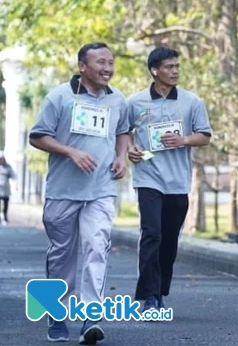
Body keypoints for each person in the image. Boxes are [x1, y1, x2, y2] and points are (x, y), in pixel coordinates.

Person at [29, 42, 130, 344]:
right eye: (100, 62)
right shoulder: (59, 97)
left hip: (101, 189)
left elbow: (124, 131)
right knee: (61, 255)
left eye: (110, 62)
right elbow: (37, 136)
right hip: (63, 190)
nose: (108, 68)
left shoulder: (118, 100)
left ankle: (90, 317)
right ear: (82, 67)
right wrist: (70, 151)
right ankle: (56, 315)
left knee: (97, 246)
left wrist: (122, 156)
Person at [127, 46, 212, 314]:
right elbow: (123, 132)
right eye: (169, 67)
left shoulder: (191, 102)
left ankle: (160, 287)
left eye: (177, 66)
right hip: (148, 177)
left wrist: (184, 139)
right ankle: (151, 296)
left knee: (169, 239)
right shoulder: (135, 102)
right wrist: (130, 148)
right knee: (151, 233)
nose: (175, 71)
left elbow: (205, 135)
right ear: (155, 70)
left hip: (178, 181)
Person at [0, 152, 17, 226]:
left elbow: (13, 176)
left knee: (5, 204)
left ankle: (5, 216)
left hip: (5, 189)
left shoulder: (7, 167)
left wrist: (16, 184)